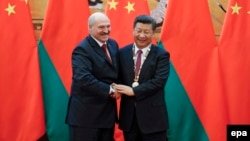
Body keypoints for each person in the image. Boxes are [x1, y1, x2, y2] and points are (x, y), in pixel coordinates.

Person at [66, 12, 120, 141]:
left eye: (108, 26)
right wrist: (111, 90)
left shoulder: (113, 44)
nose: (106, 30)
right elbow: (83, 79)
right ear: (90, 28)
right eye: (101, 27)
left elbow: (116, 72)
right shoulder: (82, 49)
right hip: (86, 118)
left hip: (107, 116)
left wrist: (123, 87)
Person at [114, 15, 170, 141]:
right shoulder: (122, 53)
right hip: (129, 119)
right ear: (133, 30)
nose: (142, 35)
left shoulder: (161, 55)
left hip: (153, 119)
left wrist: (133, 91)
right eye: (139, 31)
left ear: (153, 33)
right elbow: (117, 77)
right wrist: (114, 88)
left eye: (146, 32)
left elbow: (159, 81)